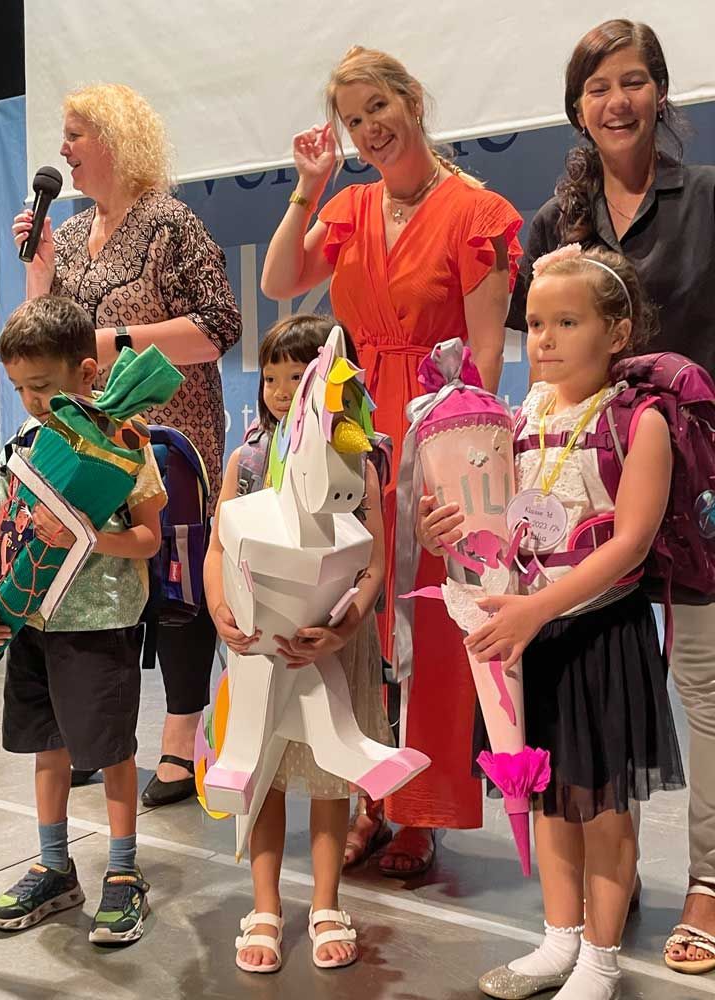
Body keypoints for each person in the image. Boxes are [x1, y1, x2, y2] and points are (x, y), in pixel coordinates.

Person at [261, 45, 522, 875]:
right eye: (353, 117)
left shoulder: (479, 213)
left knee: (432, 627)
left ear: (412, 99)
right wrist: (310, 184)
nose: (369, 128)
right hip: (353, 429)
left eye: (379, 107)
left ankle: (421, 812)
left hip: (436, 435)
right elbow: (277, 282)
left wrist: (455, 470)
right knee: (359, 627)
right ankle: (368, 796)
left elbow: (483, 359)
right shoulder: (348, 207)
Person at [420, 246, 685, 999]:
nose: (543, 338)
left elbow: (630, 541)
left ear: (618, 330)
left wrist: (537, 609)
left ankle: (600, 958)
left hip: (600, 634)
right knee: (544, 794)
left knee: (601, 805)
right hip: (528, 639)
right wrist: (446, 527)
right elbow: (487, 519)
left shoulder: (641, 422)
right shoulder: (517, 415)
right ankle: (557, 940)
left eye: (567, 321)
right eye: (535, 322)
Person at [506, 19, 715, 971]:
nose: (616, 101)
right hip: (591, 475)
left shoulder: (707, 198)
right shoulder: (556, 224)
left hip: (695, 474)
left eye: (633, 83)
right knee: (574, 719)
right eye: (597, 88)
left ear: (660, 95)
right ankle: (588, 919)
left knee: (702, 686)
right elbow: (540, 368)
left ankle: (709, 880)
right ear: (577, 107)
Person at [12, 83, 242, 805]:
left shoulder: (171, 222)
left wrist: (109, 343)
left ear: (115, 139)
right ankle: (96, 730)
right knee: (93, 575)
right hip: (87, 443)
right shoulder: (74, 233)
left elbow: (219, 325)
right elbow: (42, 334)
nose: (63, 150)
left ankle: (179, 744)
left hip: (171, 437)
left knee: (173, 588)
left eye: (76, 134)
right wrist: (40, 270)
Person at [0, 296, 166, 944]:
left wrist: (86, 536)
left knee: (110, 751)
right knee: (46, 746)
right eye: (18, 387)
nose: (29, 401)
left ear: (85, 373)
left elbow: (148, 539)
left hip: (98, 624)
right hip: (31, 626)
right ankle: (54, 866)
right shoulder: (22, 443)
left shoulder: (124, 442)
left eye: (41, 387)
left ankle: (125, 873)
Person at [203, 314, 392, 972]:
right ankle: (263, 905)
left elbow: (372, 564)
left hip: (333, 648)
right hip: (260, 647)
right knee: (264, 776)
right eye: (273, 377)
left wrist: (343, 622)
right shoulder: (246, 459)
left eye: (299, 377)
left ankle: (326, 903)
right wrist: (221, 607)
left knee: (331, 776)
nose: (283, 390)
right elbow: (220, 543)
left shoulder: (356, 461)